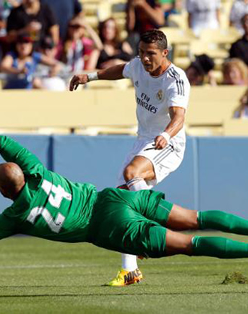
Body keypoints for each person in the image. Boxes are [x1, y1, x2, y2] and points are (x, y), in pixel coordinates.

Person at [0, 136, 248, 279]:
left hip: (108, 227)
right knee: (195, 217)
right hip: (117, 196)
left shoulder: (14, 215)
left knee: (188, 244)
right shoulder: (35, 170)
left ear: (2, 193)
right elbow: (2, 141)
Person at [69, 29, 191, 286]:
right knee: (122, 199)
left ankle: (147, 225)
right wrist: (89, 76)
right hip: (144, 140)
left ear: (164, 53)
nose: (145, 59)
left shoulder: (175, 78)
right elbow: (120, 70)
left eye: (151, 54)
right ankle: (130, 270)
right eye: (141, 53)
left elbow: (179, 117)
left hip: (168, 143)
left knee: (130, 175)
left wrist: (167, 136)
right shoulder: (137, 66)